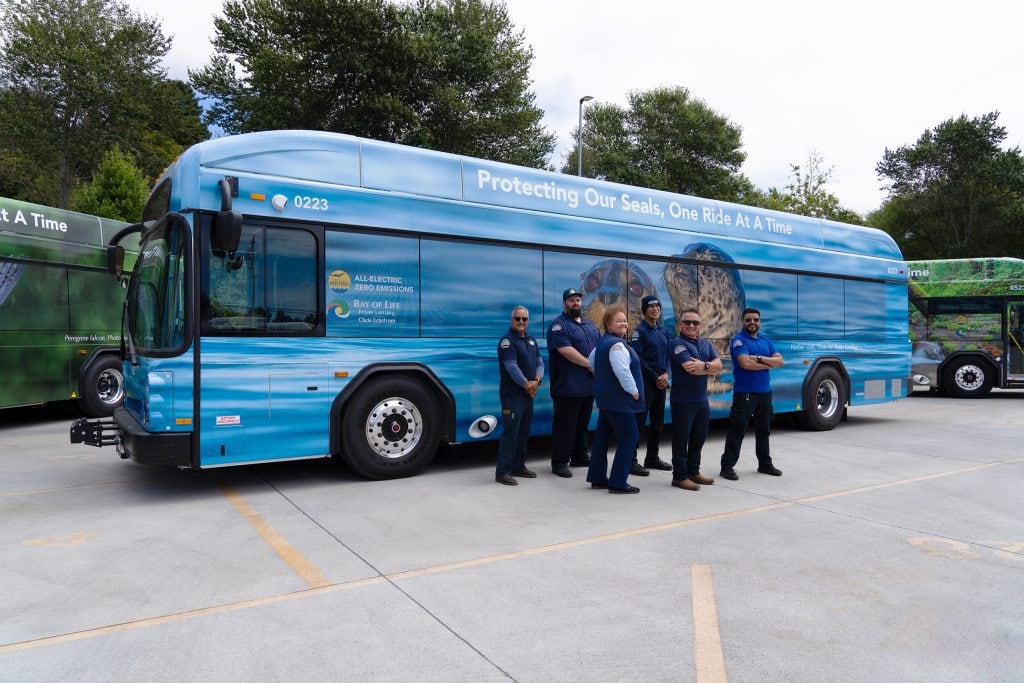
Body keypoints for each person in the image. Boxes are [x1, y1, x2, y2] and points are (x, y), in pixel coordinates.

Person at [720, 307, 785, 480]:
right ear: (743, 321)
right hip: (745, 394)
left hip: (765, 394)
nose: (752, 323)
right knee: (737, 431)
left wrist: (759, 358)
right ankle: (727, 466)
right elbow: (745, 364)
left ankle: (765, 464)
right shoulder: (738, 341)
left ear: (759, 322)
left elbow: (781, 361)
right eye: (748, 320)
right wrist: (768, 363)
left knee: (764, 431)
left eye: (755, 319)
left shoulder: (766, 340)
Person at [586, 307, 646, 493]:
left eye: (624, 321)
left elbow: (590, 361)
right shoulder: (617, 345)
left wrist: (604, 378)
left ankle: (597, 478)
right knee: (630, 437)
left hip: (607, 400)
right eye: (618, 321)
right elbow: (622, 371)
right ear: (608, 324)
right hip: (621, 401)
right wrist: (634, 391)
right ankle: (618, 482)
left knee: (602, 438)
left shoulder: (603, 342)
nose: (623, 324)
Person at [547, 288, 601, 478]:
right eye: (571, 300)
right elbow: (565, 350)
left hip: (588, 386)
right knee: (565, 426)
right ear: (564, 304)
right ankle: (560, 462)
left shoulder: (590, 325)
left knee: (582, 425)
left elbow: (599, 348)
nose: (575, 303)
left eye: (578, 300)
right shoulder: (558, 326)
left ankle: (579, 456)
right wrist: (590, 365)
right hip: (568, 387)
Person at [669, 309, 723, 491]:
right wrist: (709, 367)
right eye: (687, 322)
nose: (691, 325)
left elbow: (719, 365)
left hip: (701, 400)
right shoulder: (677, 344)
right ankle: (679, 476)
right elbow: (689, 368)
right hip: (683, 401)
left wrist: (705, 366)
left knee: (699, 438)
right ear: (680, 324)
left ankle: (693, 472)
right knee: (681, 439)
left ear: (700, 325)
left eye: (695, 323)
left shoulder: (705, 344)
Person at [495, 306, 544, 485]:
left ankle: (518, 466)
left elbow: (540, 361)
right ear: (512, 320)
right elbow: (511, 367)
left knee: (523, 433)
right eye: (518, 319)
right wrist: (526, 384)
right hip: (513, 395)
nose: (521, 322)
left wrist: (536, 381)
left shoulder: (531, 340)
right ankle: (502, 472)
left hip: (528, 394)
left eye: (524, 319)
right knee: (511, 433)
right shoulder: (507, 341)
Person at [631, 295, 673, 475]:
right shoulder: (639, 331)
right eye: (651, 306)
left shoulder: (663, 330)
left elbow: (668, 356)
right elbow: (638, 358)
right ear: (644, 310)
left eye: (658, 306)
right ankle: (631, 460)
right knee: (639, 421)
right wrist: (656, 376)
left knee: (658, 422)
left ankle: (652, 458)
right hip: (646, 382)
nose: (655, 309)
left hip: (661, 382)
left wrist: (666, 374)